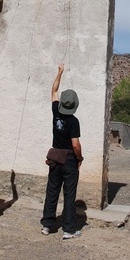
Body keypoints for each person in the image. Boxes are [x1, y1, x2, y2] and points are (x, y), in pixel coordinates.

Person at [41, 63, 84, 240]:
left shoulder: (55, 112)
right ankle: (69, 229)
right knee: (69, 194)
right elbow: (75, 144)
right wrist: (79, 158)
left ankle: (47, 225)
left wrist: (59, 73)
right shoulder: (73, 121)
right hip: (69, 159)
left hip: (55, 158)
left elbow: (53, 91)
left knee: (52, 190)